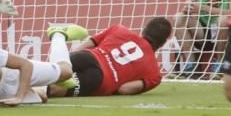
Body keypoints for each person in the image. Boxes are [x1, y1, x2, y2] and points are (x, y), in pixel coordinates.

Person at [44, 18, 173, 97]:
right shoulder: (154, 74)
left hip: (89, 56)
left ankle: (58, 37)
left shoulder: (120, 29)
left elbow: (82, 47)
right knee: (54, 90)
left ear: (145, 30)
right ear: (164, 42)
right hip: (100, 78)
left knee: (49, 71)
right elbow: (124, 89)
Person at [172, 0, 230, 79]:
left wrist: (203, 8)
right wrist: (186, 9)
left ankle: (220, 64)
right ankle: (191, 66)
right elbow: (190, 3)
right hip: (202, 31)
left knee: (223, 20)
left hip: (224, 33)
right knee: (178, 17)